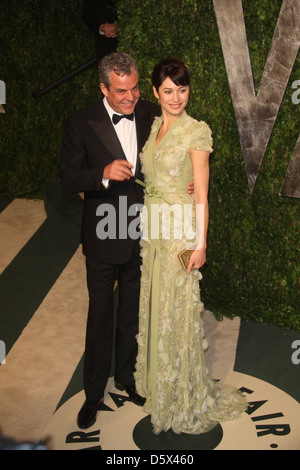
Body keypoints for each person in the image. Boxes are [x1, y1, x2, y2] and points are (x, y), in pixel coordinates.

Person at [134, 57, 248, 435]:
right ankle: (162, 387)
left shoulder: (196, 132)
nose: (176, 97)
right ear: (156, 92)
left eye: (182, 89)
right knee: (158, 308)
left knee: (179, 313)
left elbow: (201, 194)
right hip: (154, 232)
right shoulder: (154, 127)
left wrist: (200, 244)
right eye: (168, 90)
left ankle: (182, 395)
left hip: (180, 233)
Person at [60, 51, 160, 429]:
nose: (130, 97)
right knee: (100, 317)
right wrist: (101, 172)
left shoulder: (152, 112)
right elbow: (69, 178)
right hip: (104, 232)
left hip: (142, 231)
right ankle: (92, 394)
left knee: (132, 314)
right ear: (103, 87)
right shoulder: (79, 122)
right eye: (121, 91)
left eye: (134, 88)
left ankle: (128, 379)